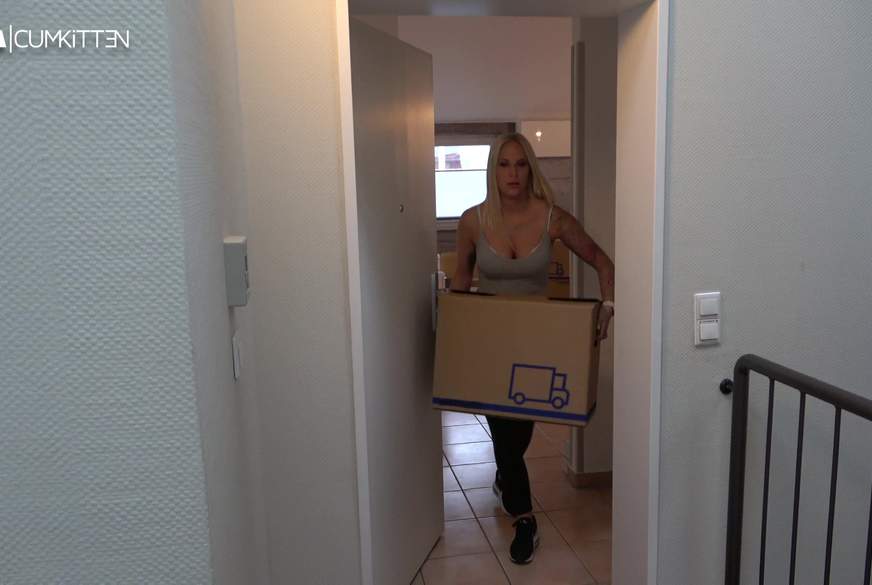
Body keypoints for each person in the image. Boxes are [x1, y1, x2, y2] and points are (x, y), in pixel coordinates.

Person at [451, 132, 615, 564]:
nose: (513, 174)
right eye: (504, 165)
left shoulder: (553, 219)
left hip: (535, 345)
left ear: (531, 169)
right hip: (490, 343)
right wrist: (453, 341)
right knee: (505, 435)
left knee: (520, 431)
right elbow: (460, 284)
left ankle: (505, 480)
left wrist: (607, 308)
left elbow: (602, 261)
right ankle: (525, 520)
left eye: (520, 164)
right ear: (493, 170)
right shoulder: (472, 221)